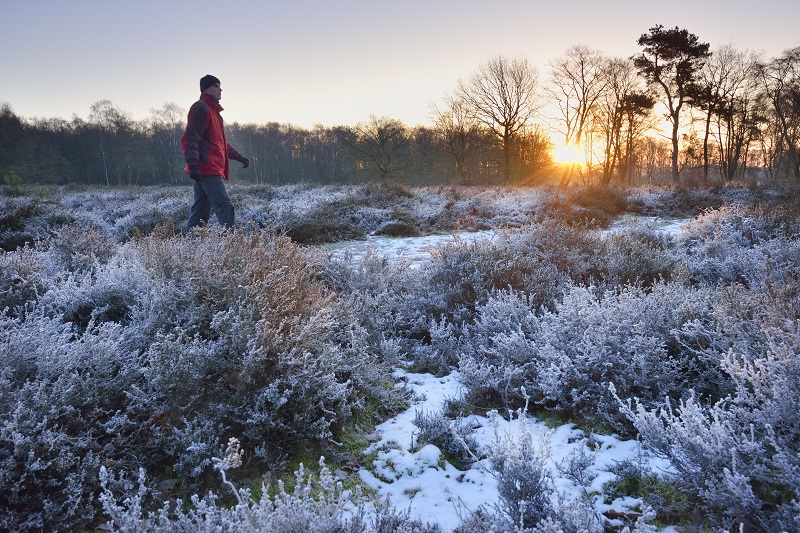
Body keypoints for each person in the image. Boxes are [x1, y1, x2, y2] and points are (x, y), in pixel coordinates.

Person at [182, 74, 250, 232]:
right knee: (225, 207)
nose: (220, 89)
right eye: (216, 86)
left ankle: (189, 247)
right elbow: (191, 138)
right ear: (206, 89)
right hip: (207, 168)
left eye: (220, 86)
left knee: (200, 212)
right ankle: (232, 246)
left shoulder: (213, 112)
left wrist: (239, 158)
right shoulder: (201, 108)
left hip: (208, 168)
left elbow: (219, 143)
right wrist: (193, 164)